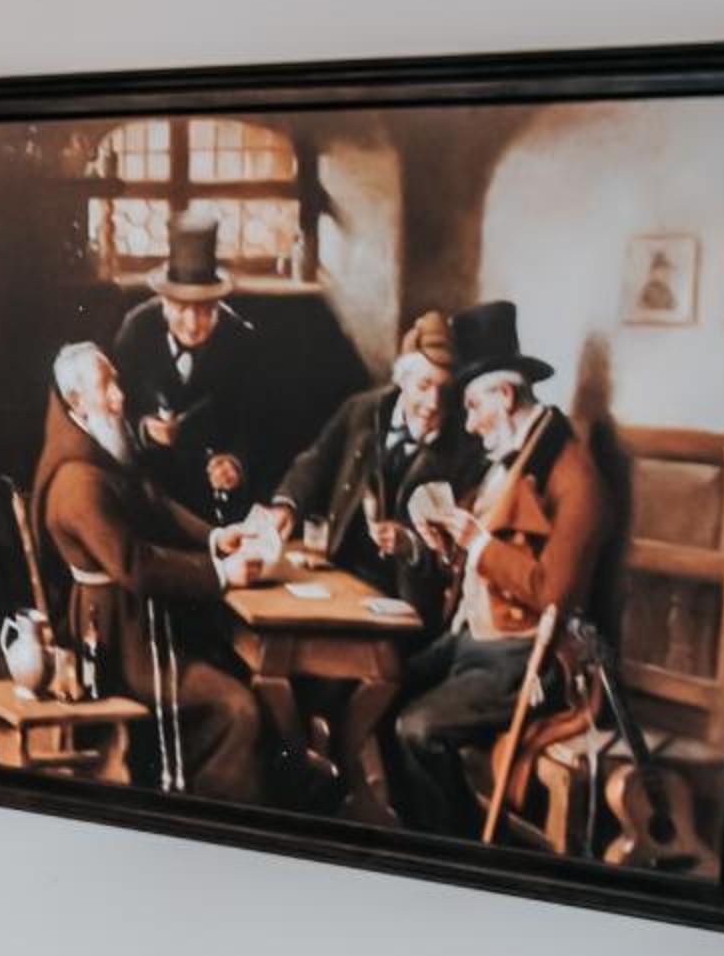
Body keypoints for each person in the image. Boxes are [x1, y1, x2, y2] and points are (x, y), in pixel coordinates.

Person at [390, 302, 625, 835]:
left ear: (506, 397)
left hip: (530, 659)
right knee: (382, 685)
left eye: (475, 407)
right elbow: (487, 559)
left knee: (416, 729)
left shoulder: (575, 479)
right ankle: (418, 830)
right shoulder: (511, 458)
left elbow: (553, 594)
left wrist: (478, 545)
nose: (470, 424)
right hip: (476, 639)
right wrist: (447, 542)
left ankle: (450, 849)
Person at [32, 342, 271, 802]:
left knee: (244, 672)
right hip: (115, 645)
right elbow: (137, 566)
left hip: (140, 624)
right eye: (107, 387)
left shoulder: (99, 450)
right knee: (237, 705)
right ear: (76, 401)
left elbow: (154, 503)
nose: (120, 396)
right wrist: (221, 573)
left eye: (117, 382)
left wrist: (216, 538)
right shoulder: (76, 480)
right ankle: (206, 814)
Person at [270, 310, 468, 589]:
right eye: (424, 386)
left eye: (444, 391)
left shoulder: (460, 445)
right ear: (403, 380)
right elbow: (316, 461)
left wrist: (409, 543)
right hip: (340, 565)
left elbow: (451, 550)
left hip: (402, 591)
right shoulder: (363, 409)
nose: (434, 403)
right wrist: (287, 505)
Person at [112, 213, 269, 529]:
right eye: (182, 308)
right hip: (148, 494)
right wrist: (145, 429)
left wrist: (235, 462)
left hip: (212, 503)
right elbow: (114, 409)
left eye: (205, 309)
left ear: (219, 304)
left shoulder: (242, 341)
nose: (193, 323)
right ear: (163, 300)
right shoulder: (135, 331)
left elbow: (256, 423)